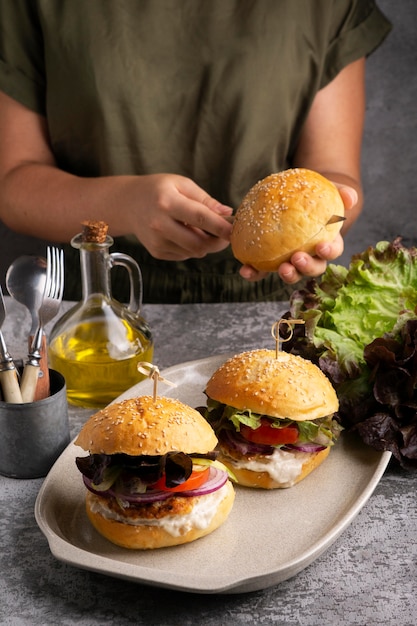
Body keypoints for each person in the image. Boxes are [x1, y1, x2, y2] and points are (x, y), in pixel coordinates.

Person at [0, 1, 391, 304]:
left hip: (271, 309)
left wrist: (330, 220)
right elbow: (13, 182)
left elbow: (332, 173)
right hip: (90, 300)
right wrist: (126, 205)